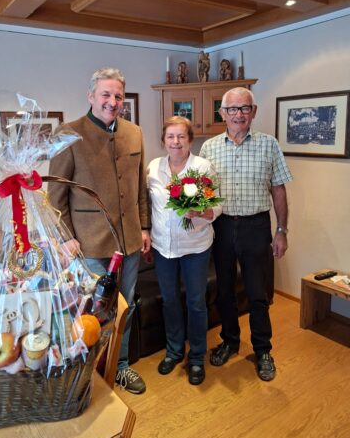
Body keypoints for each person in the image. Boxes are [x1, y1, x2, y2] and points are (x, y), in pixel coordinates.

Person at [48, 67, 151, 394]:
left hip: (130, 241)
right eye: (105, 94)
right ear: (91, 96)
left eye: (118, 96)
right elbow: (56, 196)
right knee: (90, 312)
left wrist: (144, 226)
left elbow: (140, 187)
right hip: (89, 245)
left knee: (125, 306)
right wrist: (66, 238)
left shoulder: (134, 132)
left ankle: (120, 366)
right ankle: (87, 374)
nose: (112, 101)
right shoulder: (69, 134)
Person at [200, 87, 292, 381]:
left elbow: (278, 190)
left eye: (244, 108)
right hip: (221, 227)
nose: (238, 114)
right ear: (222, 113)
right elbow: (201, 193)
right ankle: (229, 341)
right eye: (232, 109)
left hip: (256, 226)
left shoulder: (269, 145)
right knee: (225, 290)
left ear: (254, 112)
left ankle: (263, 349)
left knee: (257, 293)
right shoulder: (209, 148)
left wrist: (281, 230)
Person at [147, 116, 222, 385]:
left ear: (190, 140)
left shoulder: (203, 168)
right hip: (163, 248)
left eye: (181, 136)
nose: (176, 142)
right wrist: (145, 233)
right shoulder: (153, 168)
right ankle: (174, 351)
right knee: (169, 301)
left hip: (196, 247)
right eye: (170, 136)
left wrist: (202, 211)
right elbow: (147, 205)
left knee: (196, 302)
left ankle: (197, 357)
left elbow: (217, 206)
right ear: (163, 140)